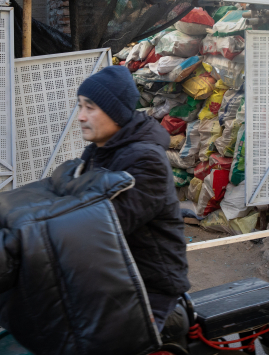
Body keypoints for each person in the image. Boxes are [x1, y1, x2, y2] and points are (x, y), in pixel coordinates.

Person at [76, 65, 190, 331]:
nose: (80, 116)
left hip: (147, 289)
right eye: (80, 106)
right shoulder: (98, 152)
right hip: (113, 280)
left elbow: (104, 227)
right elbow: (63, 195)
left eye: (90, 107)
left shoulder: (144, 160)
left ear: (115, 113)